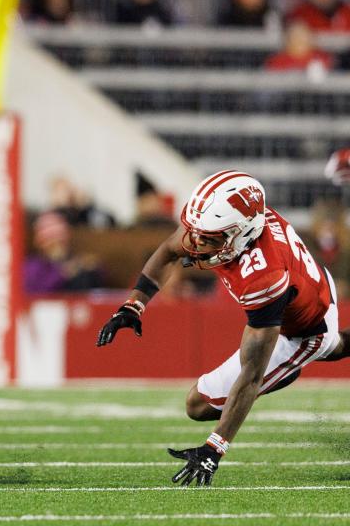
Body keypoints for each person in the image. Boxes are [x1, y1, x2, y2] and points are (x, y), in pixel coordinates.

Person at [96, 170, 350, 486]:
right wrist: (134, 304)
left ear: (242, 234)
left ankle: (291, 367)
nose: (197, 241)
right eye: (196, 230)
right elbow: (170, 250)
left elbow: (252, 374)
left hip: (303, 331)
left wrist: (215, 447)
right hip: (313, 284)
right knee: (336, 344)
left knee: (198, 405)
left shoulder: (264, 278)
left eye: (209, 237)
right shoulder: (235, 222)